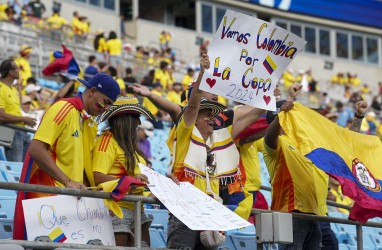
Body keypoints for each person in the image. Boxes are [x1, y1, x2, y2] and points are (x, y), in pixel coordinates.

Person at [166, 54, 266, 249]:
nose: (212, 118)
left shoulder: (219, 139)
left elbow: (250, 118)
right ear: (194, 118)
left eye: (213, 114)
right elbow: (193, 105)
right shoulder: (185, 133)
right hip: (185, 214)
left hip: (210, 215)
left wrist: (268, 99)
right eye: (206, 115)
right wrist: (203, 72)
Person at [13, 73, 120, 240]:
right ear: (92, 91)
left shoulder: (89, 123)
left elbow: (83, 170)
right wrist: (67, 181)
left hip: (68, 204)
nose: (106, 108)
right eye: (105, 102)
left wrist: (99, 203)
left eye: (110, 105)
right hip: (47, 202)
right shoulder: (63, 108)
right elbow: (36, 149)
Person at [92, 96, 155, 247]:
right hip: (117, 210)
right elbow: (96, 176)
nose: (139, 123)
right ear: (125, 119)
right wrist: (131, 180)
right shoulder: (107, 141)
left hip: (138, 208)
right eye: (136, 117)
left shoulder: (131, 146)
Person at [0, 59, 36, 162]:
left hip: (22, 131)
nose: (19, 70)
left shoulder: (13, 89)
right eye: (17, 68)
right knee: (17, 168)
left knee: (26, 168)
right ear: (10, 72)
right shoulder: (1, 88)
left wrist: (25, 120)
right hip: (12, 133)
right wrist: (24, 119)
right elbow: (1, 116)